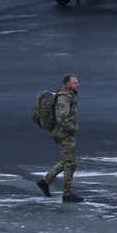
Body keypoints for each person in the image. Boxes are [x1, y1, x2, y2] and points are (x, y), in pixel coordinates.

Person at [38, 74, 83, 202]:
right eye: (75, 83)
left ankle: (45, 181)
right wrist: (71, 128)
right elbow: (62, 118)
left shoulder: (67, 96)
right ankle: (67, 194)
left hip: (63, 134)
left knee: (67, 161)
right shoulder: (64, 98)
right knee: (70, 163)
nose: (78, 85)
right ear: (68, 85)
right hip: (63, 135)